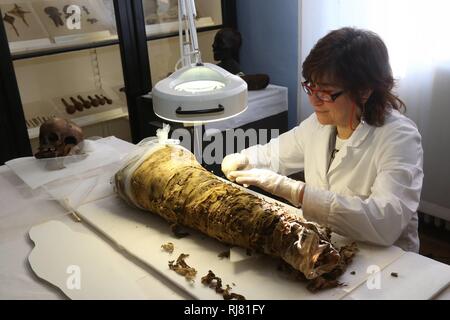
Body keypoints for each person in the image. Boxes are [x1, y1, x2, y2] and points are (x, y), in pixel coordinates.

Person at [221, 27, 424, 252]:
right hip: (329, 249)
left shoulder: (399, 138)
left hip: (388, 262)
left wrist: (296, 192)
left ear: (364, 90)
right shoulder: (318, 125)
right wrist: (242, 159)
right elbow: (272, 154)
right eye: (310, 87)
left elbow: (385, 223)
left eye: (326, 92)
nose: (314, 101)